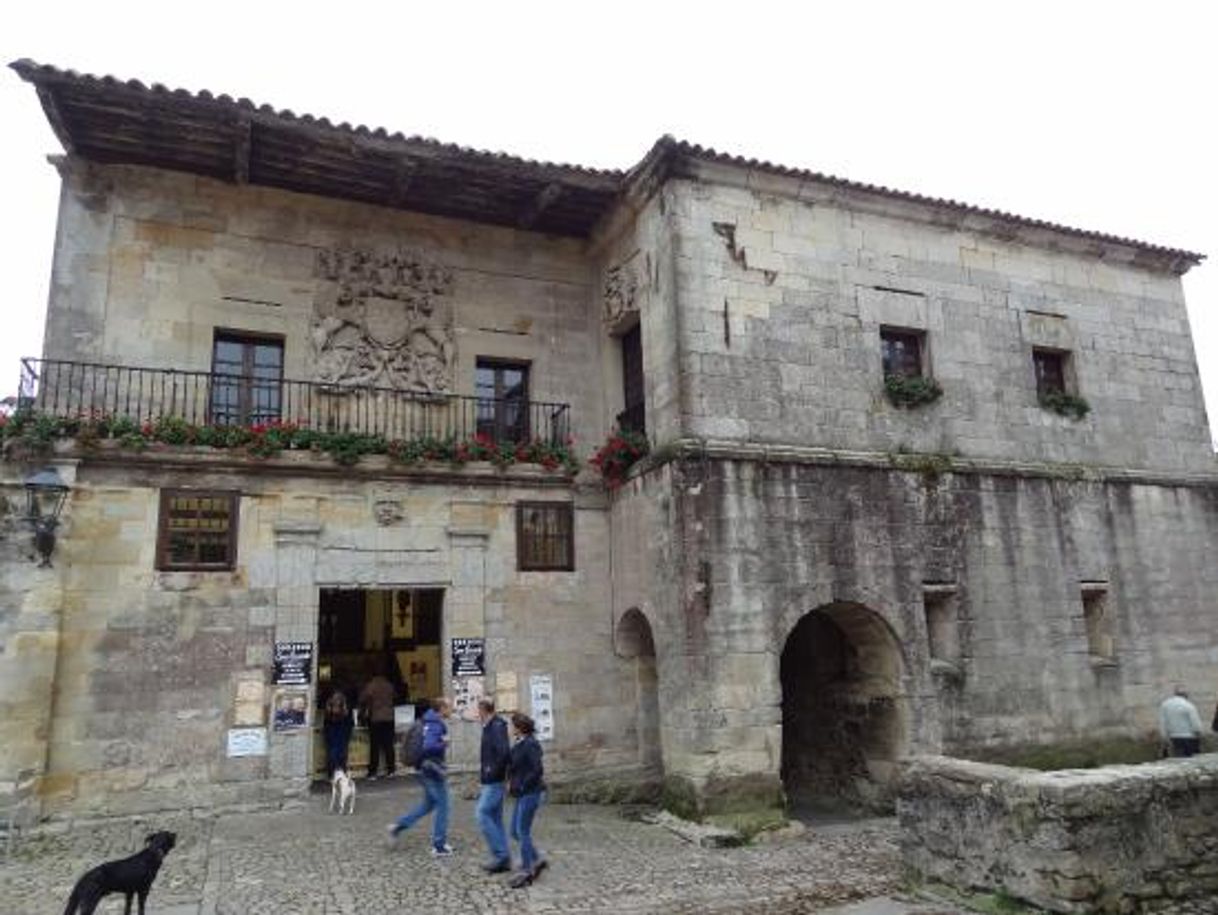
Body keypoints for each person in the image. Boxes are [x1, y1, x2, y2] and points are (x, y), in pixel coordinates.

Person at [388, 697, 453, 856]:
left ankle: (397, 827)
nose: (452, 710)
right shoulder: (435, 724)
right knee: (444, 805)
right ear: (442, 708)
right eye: (450, 707)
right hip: (432, 770)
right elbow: (429, 746)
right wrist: (444, 744)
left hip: (422, 769)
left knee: (428, 805)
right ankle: (439, 845)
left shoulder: (426, 719)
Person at [507, 712, 547, 889]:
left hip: (531, 792)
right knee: (515, 831)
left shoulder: (530, 744)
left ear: (519, 728)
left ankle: (526, 869)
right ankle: (537, 860)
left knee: (522, 831)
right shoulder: (520, 742)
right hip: (521, 793)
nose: (510, 728)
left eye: (512, 725)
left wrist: (522, 785)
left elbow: (537, 769)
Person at [475, 698, 512, 873]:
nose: (477, 713)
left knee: (482, 813)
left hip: (494, 780)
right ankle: (503, 858)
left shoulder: (496, 726)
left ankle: (500, 855)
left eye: (478, 709)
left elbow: (503, 753)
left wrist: (491, 771)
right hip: (492, 778)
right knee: (496, 819)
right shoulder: (492, 725)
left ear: (484, 709)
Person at [360, 666, 397, 779]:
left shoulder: (371, 685)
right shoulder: (389, 685)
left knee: (375, 746)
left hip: (376, 718)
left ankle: (373, 772)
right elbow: (396, 696)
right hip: (389, 717)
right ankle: (391, 770)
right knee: (389, 745)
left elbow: (362, 698)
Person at [1159, 686, 1203, 757]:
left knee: (1178, 758)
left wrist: (1164, 737)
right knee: (1191, 758)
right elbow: (1195, 723)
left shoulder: (1165, 705)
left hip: (1173, 737)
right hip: (1189, 736)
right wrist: (1198, 733)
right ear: (1185, 695)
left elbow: (1163, 722)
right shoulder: (1188, 705)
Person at [322, 688, 353, 777]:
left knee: (332, 750)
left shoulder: (329, 703)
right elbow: (350, 719)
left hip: (331, 728)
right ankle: (341, 771)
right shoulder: (345, 703)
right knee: (342, 750)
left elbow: (326, 719)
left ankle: (332, 773)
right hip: (343, 728)